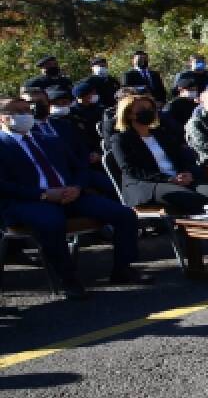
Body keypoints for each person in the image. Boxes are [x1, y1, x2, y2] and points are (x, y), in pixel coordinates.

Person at [0, 96, 147, 299]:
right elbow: (4, 186)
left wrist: (77, 187)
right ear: (3, 119)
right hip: (28, 202)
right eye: (18, 112)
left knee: (124, 214)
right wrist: (43, 194)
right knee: (52, 223)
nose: (27, 115)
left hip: (70, 195)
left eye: (27, 110)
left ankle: (123, 269)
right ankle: (68, 280)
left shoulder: (48, 140)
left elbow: (80, 168)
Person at [109, 94, 208, 215]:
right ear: (128, 114)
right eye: (142, 110)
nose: (148, 112)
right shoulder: (120, 139)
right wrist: (169, 179)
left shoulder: (161, 134)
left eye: (150, 109)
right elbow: (131, 170)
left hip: (178, 177)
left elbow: (180, 156)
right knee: (190, 199)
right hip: (149, 184)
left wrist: (186, 172)